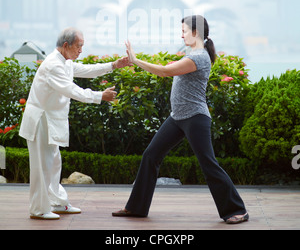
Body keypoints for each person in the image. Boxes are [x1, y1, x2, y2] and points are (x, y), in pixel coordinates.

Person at [112, 15, 249, 224]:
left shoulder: (200, 57)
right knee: (151, 155)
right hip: (177, 118)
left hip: (195, 118)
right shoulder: (192, 53)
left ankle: (236, 209)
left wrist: (135, 60)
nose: (181, 34)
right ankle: (136, 208)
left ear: (196, 33)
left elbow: (165, 72)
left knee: (208, 164)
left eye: (184, 30)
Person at [19, 27, 130, 220]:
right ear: (66, 45)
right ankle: (38, 209)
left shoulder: (65, 61)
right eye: (79, 46)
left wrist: (114, 65)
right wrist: (99, 96)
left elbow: (86, 70)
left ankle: (58, 203)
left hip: (48, 120)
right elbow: (72, 90)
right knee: (42, 167)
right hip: (40, 120)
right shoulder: (53, 65)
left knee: (53, 164)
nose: (81, 50)